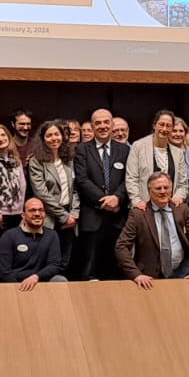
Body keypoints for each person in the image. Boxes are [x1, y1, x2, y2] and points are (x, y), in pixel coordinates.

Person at [116, 172, 189, 288]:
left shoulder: (182, 209)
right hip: (150, 277)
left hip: (183, 271)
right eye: (158, 188)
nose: (163, 191)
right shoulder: (138, 214)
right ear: (149, 191)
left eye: (166, 187)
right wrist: (136, 275)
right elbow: (121, 247)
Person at [73, 107, 130, 280]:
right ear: (92, 126)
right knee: (90, 269)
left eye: (106, 122)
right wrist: (104, 200)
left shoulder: (124, 150)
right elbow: (82, 180)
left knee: (115, 268)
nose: (103, 126)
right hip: (92, 215)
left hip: (117, 217)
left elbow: (129, 178)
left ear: (112, 124)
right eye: (98, 123)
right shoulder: (81, 149)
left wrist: (117, 198)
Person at [27, 119, 78, 271]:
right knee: (45, 259)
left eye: (57, 134)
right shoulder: (36, 161)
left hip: (70, 216)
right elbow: (41, 193)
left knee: (65, 260)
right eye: (49, 135)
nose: (54, 138)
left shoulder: (69, 159)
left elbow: (75, 189)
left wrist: (74, 213)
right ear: (42, 139)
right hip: (48, 217)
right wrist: (63, 216)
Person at [0, 195, 66, 289]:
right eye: (32, 210)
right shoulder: (9, 236)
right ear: (23, 215)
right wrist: (19, 288)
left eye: (41, 210)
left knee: (60, 280)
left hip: (40, 282)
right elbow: (3, 270)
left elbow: (55, 265)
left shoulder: (52, 235)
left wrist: (36, 277)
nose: (37, 214)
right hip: (14, 285)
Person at [126, 109, 188, 209]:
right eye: (161, 124)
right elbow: (132, 178)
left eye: (168, 126)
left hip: (170, 208)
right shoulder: (138, 146)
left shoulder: (178, 153)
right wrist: (137, 201)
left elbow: (183, 183)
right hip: (144, 207)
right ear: (154, 125)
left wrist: (178, 197)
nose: (164, 129)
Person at [0, 123, 27, 234]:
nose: (1, 139)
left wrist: (22, 213)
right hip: (0, 215)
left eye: (3, 135)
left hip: (17, 214)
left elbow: (23, 187)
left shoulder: (15, 160)